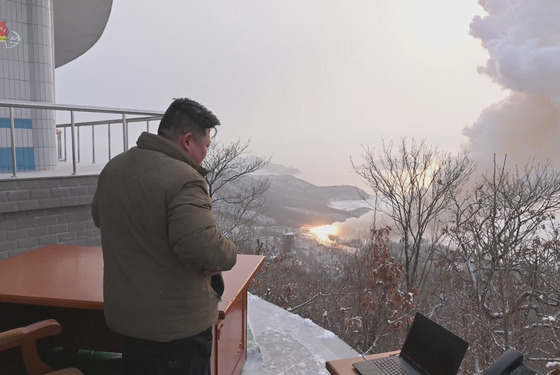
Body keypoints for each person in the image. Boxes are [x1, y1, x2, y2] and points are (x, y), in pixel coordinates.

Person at [91, 98, 238, 375]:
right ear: (187, 141)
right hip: (175, 328)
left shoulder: (115, 167)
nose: (205, 153)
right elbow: (203, 248)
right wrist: (229, 251)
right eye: (205, 146)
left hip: (127, 317)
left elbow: (100, 217)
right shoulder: (184, 178)